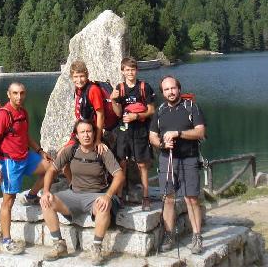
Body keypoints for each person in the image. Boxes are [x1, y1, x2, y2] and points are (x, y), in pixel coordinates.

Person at [40, 119, 125, 265]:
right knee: (47, 201)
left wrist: (108, 196)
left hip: (97, 195)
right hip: (73, 194)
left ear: (94, 133)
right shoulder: (71, 150)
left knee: (103, 206)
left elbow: (119, 175)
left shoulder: (102, 151)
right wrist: (46, 191)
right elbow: (52, 170)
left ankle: (97, 248)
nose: (86, 135)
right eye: (82, 132)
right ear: (77, 136)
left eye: (89, 131)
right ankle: (59, 244)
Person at [0, 81, 52, 255]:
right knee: (8, 201)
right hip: (10, 162)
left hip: (26, 156)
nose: (19, 97)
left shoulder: (23, 112)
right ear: (8, 94)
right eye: (15, 93)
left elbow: (25, 135)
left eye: (22, 93)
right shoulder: (4, 114)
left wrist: (40, 151)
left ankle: (31, 196)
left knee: (50, 168)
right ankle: (6, 240)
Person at [149, 75, 206, 255]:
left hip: (189, 158)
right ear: (163, 92)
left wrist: (178, 134)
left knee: (191, 198)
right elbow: (152, 136)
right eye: (166, 90)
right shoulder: (160, 111)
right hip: (167, 159)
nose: (170, 92)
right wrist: (162, 144)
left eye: (173, 88)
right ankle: (169, 235)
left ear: (179, 89)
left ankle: (197, 236)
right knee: (168, 199)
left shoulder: (191, 107)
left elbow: (200, 132)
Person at [110, 56, 156, 210]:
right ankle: (120, 196)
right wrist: (114, 100)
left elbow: (151, 110)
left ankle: (146, 197)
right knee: (122, 162)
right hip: (124, 130)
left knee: (142, 164)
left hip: (140, 130)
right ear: (122, 71)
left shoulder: (144, 87)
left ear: (137, 70)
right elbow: (117, 113)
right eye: (127, 70)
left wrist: (136, 116)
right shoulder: (119, 88)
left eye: (133, 69)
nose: (130, 72)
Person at [70, 60, 108, 151]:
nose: (79, 80)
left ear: (87, 75)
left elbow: (100, 115)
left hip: (91, 132)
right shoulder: (79, 89)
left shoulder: (93, 90)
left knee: (64, 155)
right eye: (76, 77)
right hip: (81, 130)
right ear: (72, 77)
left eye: (82, 76)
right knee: (61, 156)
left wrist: (98, 140)